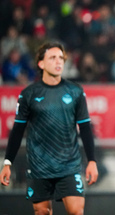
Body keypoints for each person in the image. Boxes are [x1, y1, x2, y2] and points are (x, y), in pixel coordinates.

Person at [0, 42, 98, 215]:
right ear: (41, 64)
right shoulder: (29, 94)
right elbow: (17, 131)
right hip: (39, 167)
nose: (58, 62)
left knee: (77, 211)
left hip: (69, 166)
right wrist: (7, 162)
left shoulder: (75, 91)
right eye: (52, 58)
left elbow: (85, 128)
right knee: (42, 212)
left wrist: (92, 160)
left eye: (61, 58)